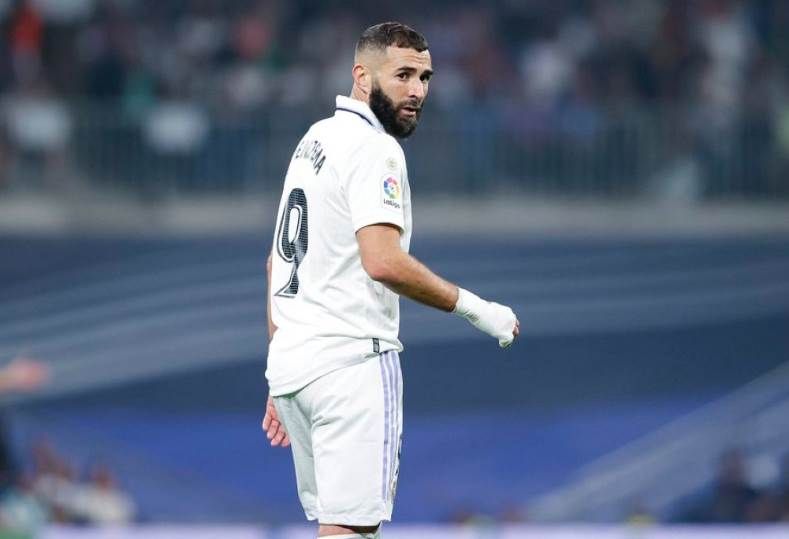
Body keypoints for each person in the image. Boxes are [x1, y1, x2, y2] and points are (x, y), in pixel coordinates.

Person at [261, 22, 519, 539]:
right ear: (362, 76)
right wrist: (478, 309)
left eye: (425, 77)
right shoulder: (375, 149)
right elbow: (382, 261)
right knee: (351, 531)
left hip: (295, 369)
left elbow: (276, 265)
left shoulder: (315, 139)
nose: (417, 90)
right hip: (351, 365)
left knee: (341, 529)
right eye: (403, 75)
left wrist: (283, 364)